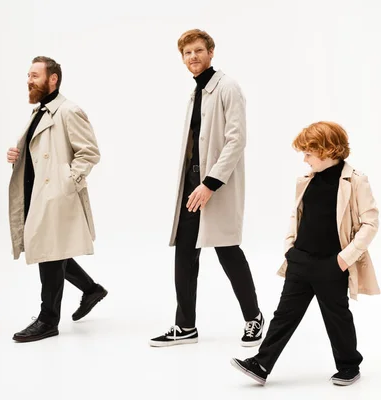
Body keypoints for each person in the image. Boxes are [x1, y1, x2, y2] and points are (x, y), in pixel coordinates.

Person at [230, 121, 381, 385]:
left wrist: (344, 259)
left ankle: (349, 366)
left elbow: (370, 223)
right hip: (300, 259)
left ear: (327, 150)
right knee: (284, 315)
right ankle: (261, 364)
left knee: (337, 316)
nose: (304, 159)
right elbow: (296, 215)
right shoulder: (306, 181)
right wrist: (289, 247)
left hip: (332, 264)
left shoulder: (355, 181)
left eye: (308, 153)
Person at [149, 29, 264, 348]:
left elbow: (237, 140)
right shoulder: (195, 92)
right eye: (187, 53)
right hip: (192, 183)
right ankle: (184, 326)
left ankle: (254, 317)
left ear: (211, 52)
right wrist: (194, 183)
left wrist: (210, 184)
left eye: (199, 50)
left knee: (227, 250)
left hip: (215, 184)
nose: (193, 57)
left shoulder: (228, 87)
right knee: (185, 254)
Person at [6, 56, 107, 343]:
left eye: (35, 75)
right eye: (28, 75)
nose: (29, 80)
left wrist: (67, 182)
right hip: (36, 192)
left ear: (53, 79)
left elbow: (89, 152)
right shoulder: (39, 111)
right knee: (51, 249)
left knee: (49, 252)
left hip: (56, 194)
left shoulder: (68, 111)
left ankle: (48, 319)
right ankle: (91, 290)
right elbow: (39, 152)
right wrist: (17, 155)